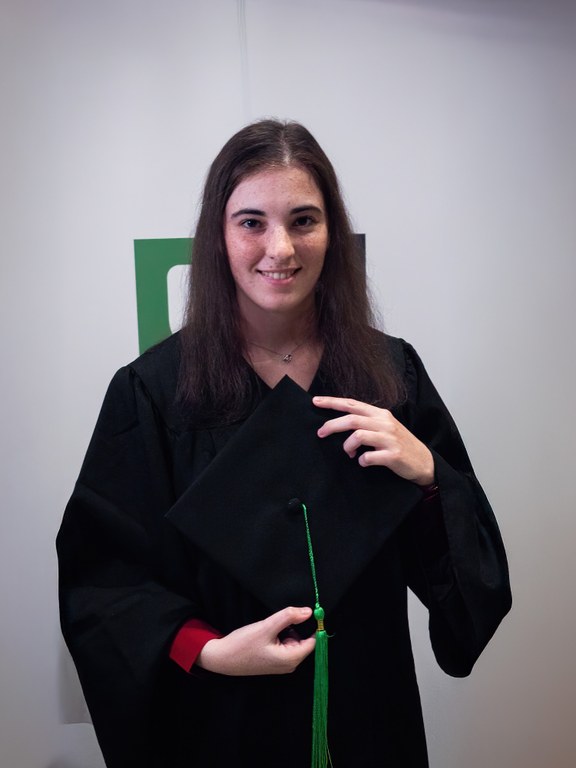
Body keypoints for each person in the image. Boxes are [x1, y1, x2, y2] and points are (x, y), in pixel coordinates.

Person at [57, 119, 511, 768]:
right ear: (218, 235)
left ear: (332, 231)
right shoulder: (154, 393)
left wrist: (431, 474)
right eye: (252, 222)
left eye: (304, 221)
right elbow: (104, 581)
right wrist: (210, 650)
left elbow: (467, 581)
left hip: (367, 713)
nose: (281, 248)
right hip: (222, 722)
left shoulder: (390, 375)